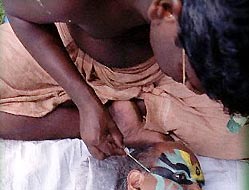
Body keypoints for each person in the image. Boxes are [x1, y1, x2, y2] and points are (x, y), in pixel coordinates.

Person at [1, 0, 248, 160]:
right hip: (69, 51)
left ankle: (135, 113)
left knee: (240, 138)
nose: (194, 89)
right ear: (169, 10)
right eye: (189, 78)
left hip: (157, 75)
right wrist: (85, 102)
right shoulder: (64, 2)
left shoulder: (216, 21)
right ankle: (110, 121)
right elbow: (18, 13)